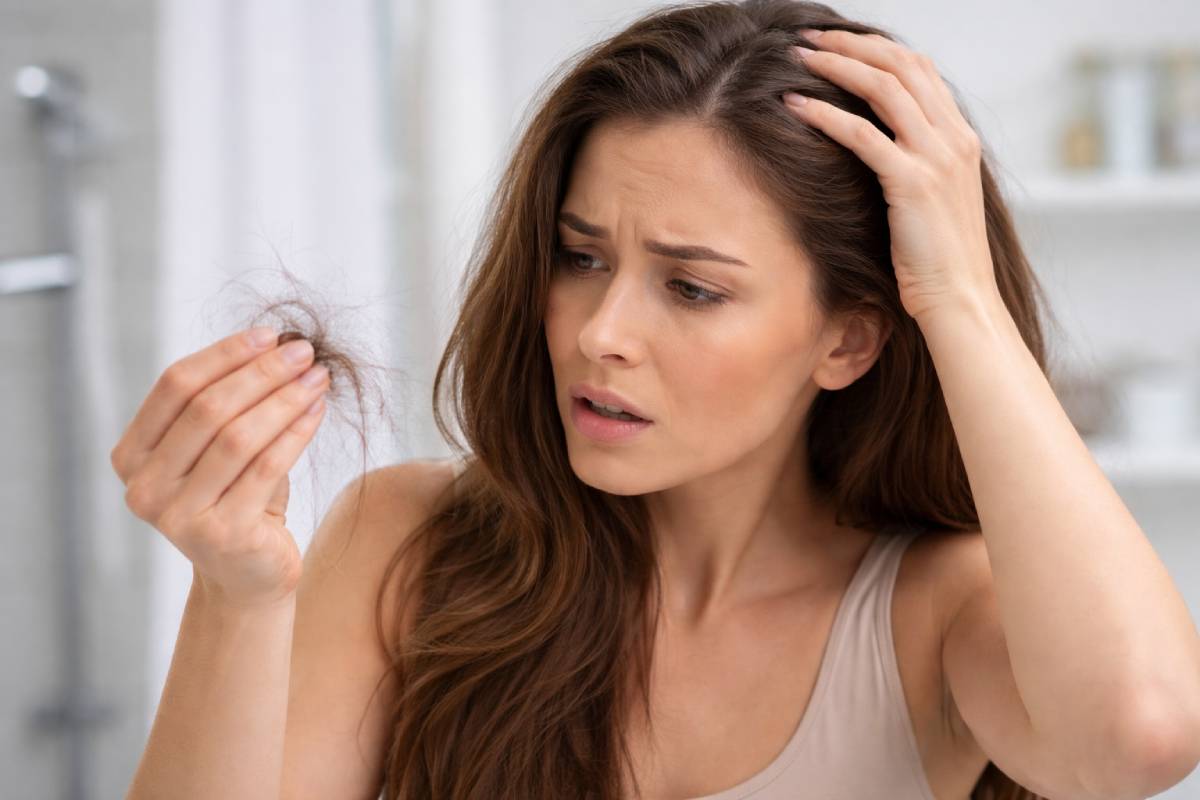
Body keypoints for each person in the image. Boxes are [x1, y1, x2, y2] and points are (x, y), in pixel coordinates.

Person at [113, 1, 1200, 798]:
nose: (600, 333)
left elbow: (1141, 736)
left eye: (691, 287)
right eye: (581, 257)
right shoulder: (410, 543)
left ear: (849, 338)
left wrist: (957, 293)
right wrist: (237, 593)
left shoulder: (933, 611)